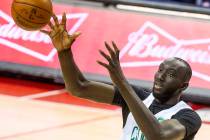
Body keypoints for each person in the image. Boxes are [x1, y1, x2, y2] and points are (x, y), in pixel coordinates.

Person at [41, 13, 201, 140]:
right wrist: (64, 52)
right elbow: (79, 87)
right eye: (160, 70)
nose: (160, 77)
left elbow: (158, 135)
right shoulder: (136, 96)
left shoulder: (188, 117)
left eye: (171, 74)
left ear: (183, 86)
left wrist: (122, 83)